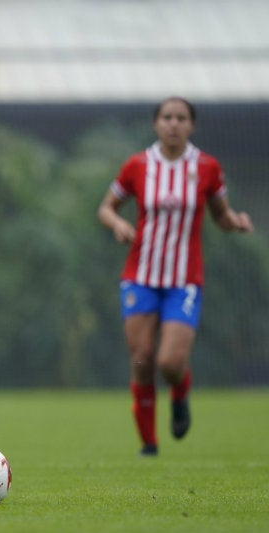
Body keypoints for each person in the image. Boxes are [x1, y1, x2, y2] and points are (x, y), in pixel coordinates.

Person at [97, 97, 253, 456]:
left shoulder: (207, 167)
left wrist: (235, 222)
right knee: (142, 359)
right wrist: (118, 223)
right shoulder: (138, 165)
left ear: (191, 126)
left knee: (169, 362)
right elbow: (106, 208)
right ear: (156, 123)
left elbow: (221, 214)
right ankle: (149, 444)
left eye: (181, 118)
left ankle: (180, 393)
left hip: (184, 280)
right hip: (140, 276)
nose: (173, 124)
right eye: (167, 117)